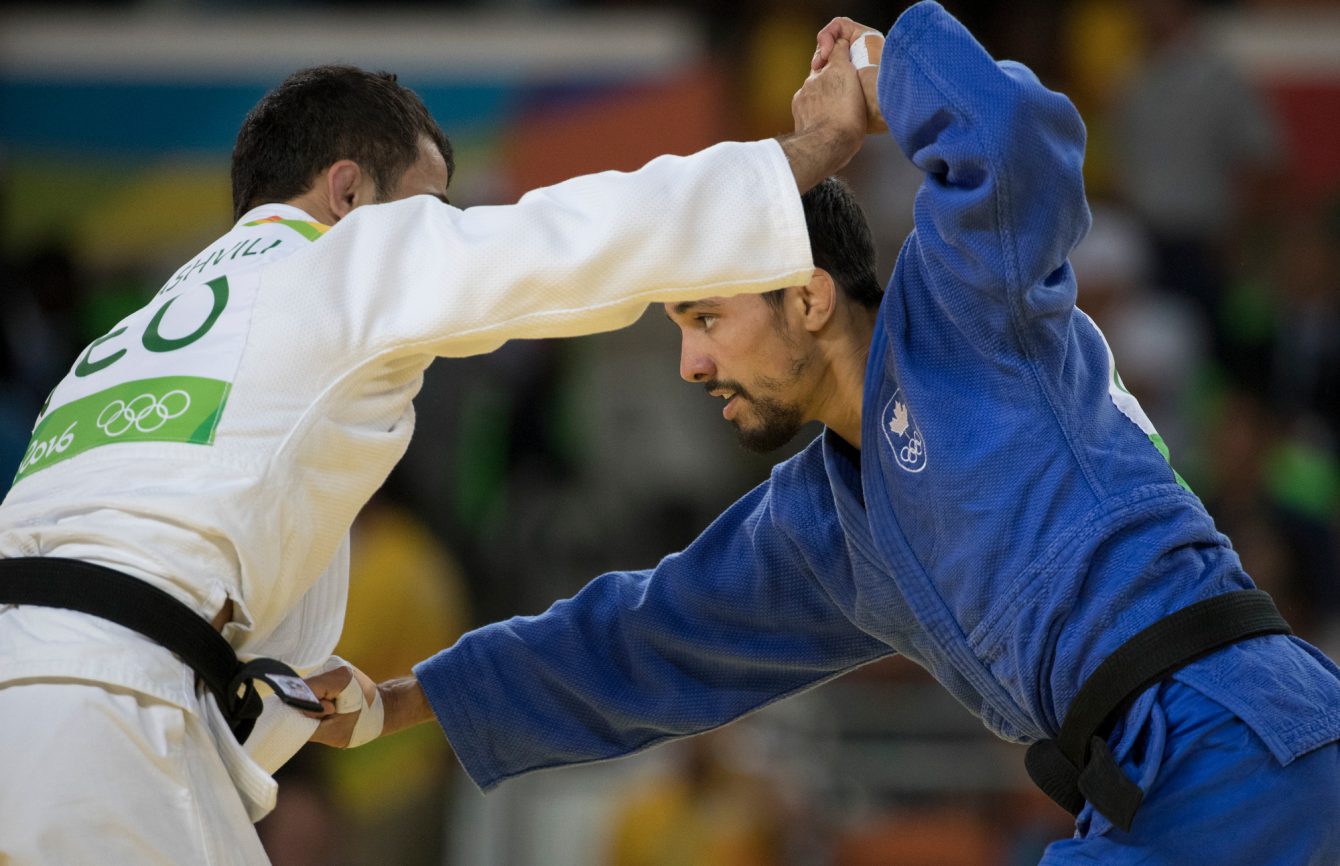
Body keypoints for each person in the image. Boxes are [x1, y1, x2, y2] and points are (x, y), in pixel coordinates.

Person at [313, 4, 1340, 864]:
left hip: (1229, 732)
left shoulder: (967, 316)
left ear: (806, 298)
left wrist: (882, 67)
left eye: (705, 319)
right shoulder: (826, 526)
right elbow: (643, 635)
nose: (690, 365)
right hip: (1163, 778)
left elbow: (1014, 140)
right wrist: (401, 700)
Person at [0, 50, 872, 864]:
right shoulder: (337, 260)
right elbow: (567, 242)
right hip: (113, 715)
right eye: (432, 209)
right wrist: (810, 149)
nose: (442, 235)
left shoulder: (126, 344)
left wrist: (351, 699)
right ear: (347, 191)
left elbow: (182, 554)